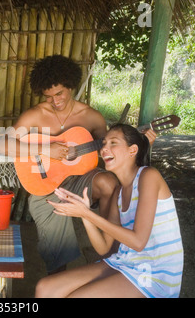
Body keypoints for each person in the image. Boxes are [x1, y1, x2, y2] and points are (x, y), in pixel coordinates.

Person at [0, 55, 156, 274]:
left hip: (82, 180)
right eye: (48, 96)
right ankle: (58, 281)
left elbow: (109, 157)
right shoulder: (36, 115)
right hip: (46, 186)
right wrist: (44, 149)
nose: (55, 101)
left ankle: (108, 253)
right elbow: (3, 144)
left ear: (70, 86)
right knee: (56, 256)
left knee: (108, 182)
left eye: (59, 93)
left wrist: (141, 143)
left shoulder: (91, 117)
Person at [36, 124, 183, 298]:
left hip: (154, 273)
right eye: (104, 144)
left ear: (132, 150)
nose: (104, 149)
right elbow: (104, 248)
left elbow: (138, 242)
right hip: (124, 263)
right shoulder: (118, 193)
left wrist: (86, 213)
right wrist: (84, 214)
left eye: (113, 143)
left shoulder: (149, 176)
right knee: (45, 288)